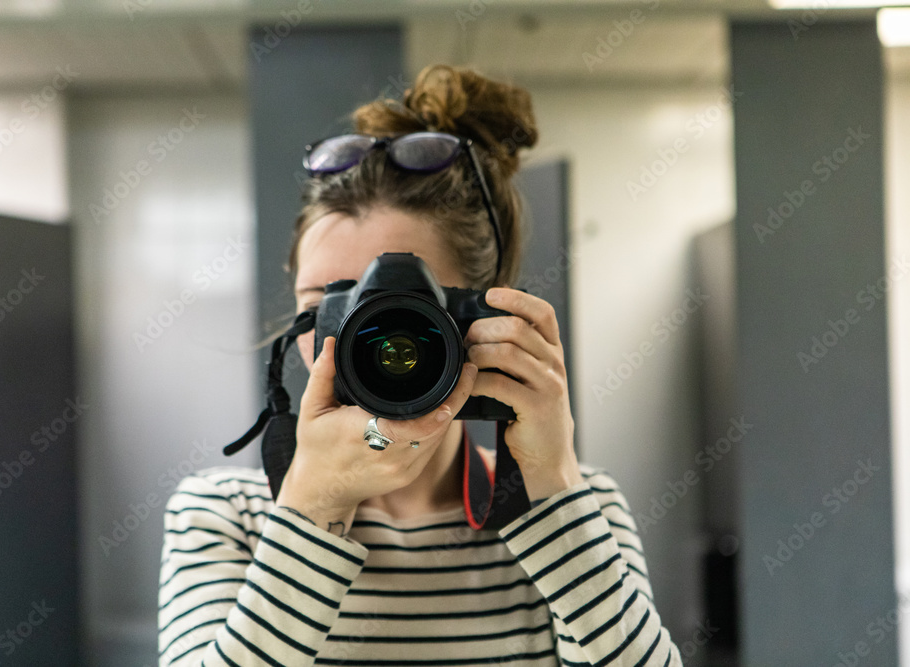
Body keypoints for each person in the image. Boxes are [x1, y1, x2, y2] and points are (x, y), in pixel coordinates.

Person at [158, 64, 683, 666]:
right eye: (329, 305)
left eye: (402, 310)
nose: (366, 340)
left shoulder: (571, 504)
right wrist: (310, 508)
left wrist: (552, 483)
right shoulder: (225, 513)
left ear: (488, 317)